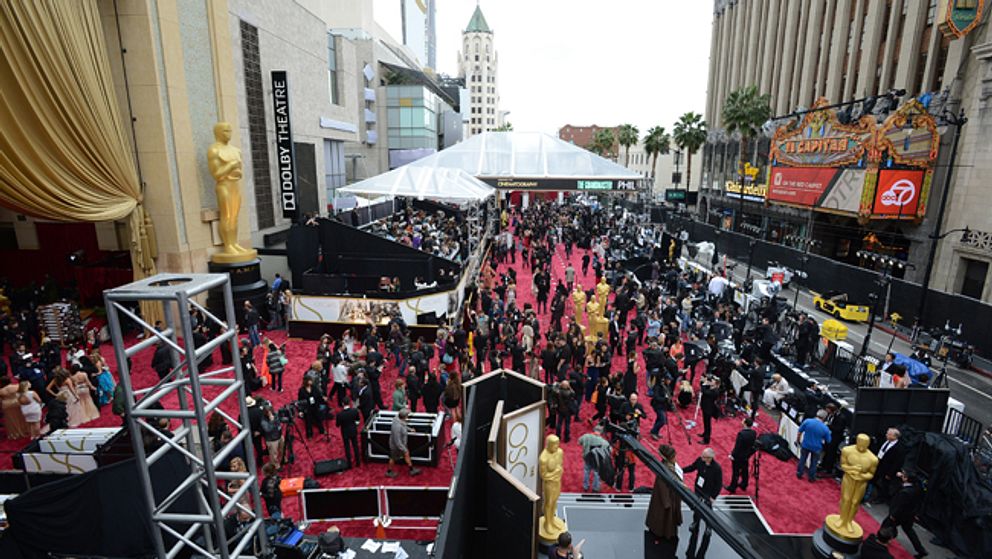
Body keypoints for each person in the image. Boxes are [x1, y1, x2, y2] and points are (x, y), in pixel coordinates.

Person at [683, 448, 723, 559]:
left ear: (710, 458)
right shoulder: (700, 461)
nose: (701, 457)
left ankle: (708, 526)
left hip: (708, 492)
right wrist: (681, 471)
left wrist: (713, 497)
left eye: (704, 456)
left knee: (708, 510)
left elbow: (718, 484)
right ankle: (696, 522)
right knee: (697, 508)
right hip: (698, 489)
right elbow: (692, 467)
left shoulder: (717, 468)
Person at [881, 470, 927, 558]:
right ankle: (921, 550)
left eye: (904, 475)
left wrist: (893, 515)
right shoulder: (916, 488)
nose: (902, 476)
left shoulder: (905, 493)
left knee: (886, 524)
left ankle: (883, 541)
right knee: (910, 532)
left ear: (907, 479)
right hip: (909, 515)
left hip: (899, 515)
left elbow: (900, 506)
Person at [646, 444, 683, 542]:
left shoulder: (668, 466)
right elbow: (662, 487)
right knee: (665, 519)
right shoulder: (665, 470)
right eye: (673, 456)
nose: (675, 458)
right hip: (668, 499)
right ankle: (663, 533)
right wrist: (667, 502)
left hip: (672, 496)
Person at [796, 409, 831, 482]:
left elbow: (799, 432)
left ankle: (799, 473)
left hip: (805, 444)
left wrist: (798, 440)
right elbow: (828, 440)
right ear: (825, 418)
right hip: (817, 447)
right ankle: (811, 477)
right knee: (814, 463)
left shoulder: (807, 421)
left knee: (802, 459)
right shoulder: (825, 428)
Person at [872, 427, 906, 503]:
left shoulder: (899, 448)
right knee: (874, 480)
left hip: (887, 469)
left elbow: (897, 463)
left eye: (888, 434)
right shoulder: (885, 441)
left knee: (884, 484)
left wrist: (890, 474)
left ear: (894, 436)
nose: (886, 434)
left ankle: (882, 498)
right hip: (879, 464)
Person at [386, 408, 421, 478]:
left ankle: (411, 469)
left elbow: (404, 425)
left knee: (406, 455)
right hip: (396, 446)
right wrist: (404, 449)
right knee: (393, 458)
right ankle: (389, 472)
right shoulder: (397, 427)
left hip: (401, 444)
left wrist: (410, 429)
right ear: (404, 416)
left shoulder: (397, 419)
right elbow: (397, 441)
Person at [725, 417, 757, 493]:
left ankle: (732, 487)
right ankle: (744, 484)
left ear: (745, 423)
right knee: (745, 470)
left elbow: (737, 447)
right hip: (746, 456)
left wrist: (732, 455)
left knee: (736, 472)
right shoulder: (753, 433)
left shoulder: (741, 434)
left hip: (738, 456)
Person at [578, 425, 610, 492]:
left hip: (587, 457)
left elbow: (579, 442)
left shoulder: (586, 436)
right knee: (597, 473)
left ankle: (585, 486)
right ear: (601, 432)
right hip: (597, 459)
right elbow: (609, 449)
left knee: (586, 471)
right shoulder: (603, 441)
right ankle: (595, 488)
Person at [336, 399, 362, 467]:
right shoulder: (354, 411)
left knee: (347, 447)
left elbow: (337, 425)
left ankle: (349, 464)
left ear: (342, 404)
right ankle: (358, 462)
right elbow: (357, 421)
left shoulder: (340, 414)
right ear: (349, 403)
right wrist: (354, 425)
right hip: (353, 430)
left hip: (345, 432)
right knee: (355, 446)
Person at [259, 404, 283, 468]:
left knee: (282, 449)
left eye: (270, 411)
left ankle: (283, 459)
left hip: (279, 436)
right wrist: (272, 421)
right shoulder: (263, 420)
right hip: (271, 440)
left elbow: (279, 422)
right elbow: (267, 429)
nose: (270, 413)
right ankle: (276, 466)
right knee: (273, 455)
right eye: (268, 412)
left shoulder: (275, 414)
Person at [698, 376, 720, 444]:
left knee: (707, 424)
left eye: (712, 381)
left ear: (715, 383)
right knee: (705, 422)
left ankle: (706, 440)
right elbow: (702, 387)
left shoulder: (715, 391)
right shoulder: (711, 388)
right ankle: (705, 433)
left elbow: (704, 391)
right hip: (705, 407)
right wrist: (703, 381)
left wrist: (705, 383)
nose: (711, 381)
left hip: (709, 409)